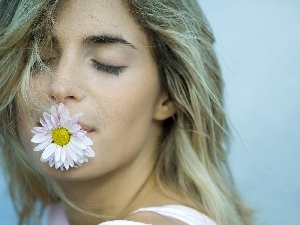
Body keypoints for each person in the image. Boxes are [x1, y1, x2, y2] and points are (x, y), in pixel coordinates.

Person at [0, 0, 255, 225]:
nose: (59, 86)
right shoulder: (56, 210)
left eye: (106, 64)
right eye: (38, 59)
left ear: (168, 95)